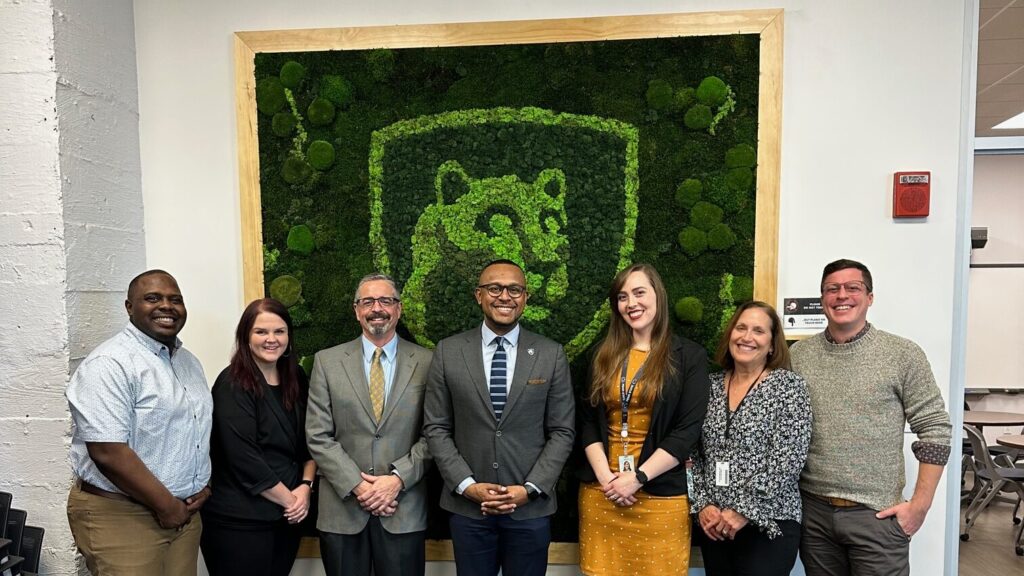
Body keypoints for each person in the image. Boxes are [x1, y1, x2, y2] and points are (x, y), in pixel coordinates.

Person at [791, 259, 951, 576]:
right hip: (814, 516)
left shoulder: (902, 353)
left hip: (876, 516)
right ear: (822, 299)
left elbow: (936, 430)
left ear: (870, 297)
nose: (842, 296)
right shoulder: (798, 356)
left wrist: (919, 506)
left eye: (853, 288)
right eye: (832, 289)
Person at [423, 259, 575, 576]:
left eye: (514, 289)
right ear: (479, 295)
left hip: (530, 510)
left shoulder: (550, 353)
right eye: (495, 288)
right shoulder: (448, 351)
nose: (504, 296)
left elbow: (562, 431)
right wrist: (467, 485)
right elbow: (436, 427)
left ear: (525, 298)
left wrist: (530, 489)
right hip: (469, 508)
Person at [66, 269, 212, 576]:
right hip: (123, 516)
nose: (167, 306)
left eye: (175, 299)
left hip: (183, 517)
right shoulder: (110, 363)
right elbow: (108, 451)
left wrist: (203, 483)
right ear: (129, 307)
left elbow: (194, 429)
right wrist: (167, 507)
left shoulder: (187, 362)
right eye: (152, 298)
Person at [578, 263, 710, 575]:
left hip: (660, 496)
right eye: (622, 297)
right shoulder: (600, 355)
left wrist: (636, 479)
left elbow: (686, 430)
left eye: (639, 293)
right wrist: (608, 480)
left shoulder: (688, 356)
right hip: (603, 494)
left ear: (658, 296)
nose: (631, 303)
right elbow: (586, 422)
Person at [306, 273, 434, 576]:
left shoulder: (428, 362)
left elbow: (435, 434)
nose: (377, 308)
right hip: (342, 509)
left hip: (403, 508)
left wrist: (396, 481)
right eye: (368, 301)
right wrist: (360, 487)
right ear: (356, 310)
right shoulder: (327, 362)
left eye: (386, 300)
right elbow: (318, 435)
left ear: (399, 309)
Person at [691, 301, 811, 576]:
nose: (747, 337)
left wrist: (743, 510)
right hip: (715, 526)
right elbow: (691, 451)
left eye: (758, 331)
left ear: (771, 344)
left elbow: (789, 458)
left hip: (769, 524)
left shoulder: (789, 387)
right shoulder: (707, 386)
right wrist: (703, 504)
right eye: (741, 328)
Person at [199, 298, 316, 576]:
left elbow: (311, 440)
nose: (271, 339)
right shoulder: (232, 384)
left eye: (279, 331)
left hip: (287, 517)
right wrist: (291, 500)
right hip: (239, 522)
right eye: (261, 332)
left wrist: (306, 487)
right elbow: (243, 459)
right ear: (245, 336)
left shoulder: (296, 377)